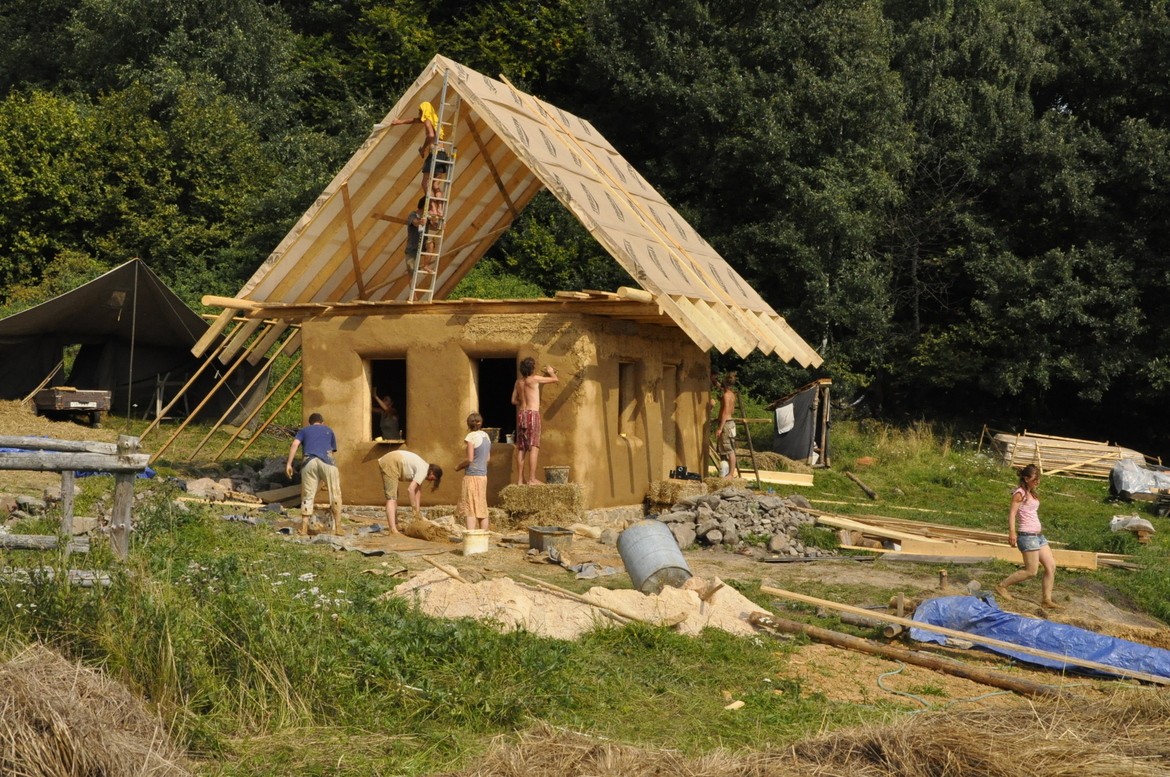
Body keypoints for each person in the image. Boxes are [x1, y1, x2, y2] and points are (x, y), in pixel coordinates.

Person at [995, 464, 1060, 609]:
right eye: (1035, 479)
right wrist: (1012, 532)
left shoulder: (1031, 493)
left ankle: (1046, 600)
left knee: (1051, 566)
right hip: (1027, 536)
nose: (1037, 482)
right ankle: (1002, 586)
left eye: (1038, 479)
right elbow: (1012, 514)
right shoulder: (1020, 493)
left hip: (1038, 536)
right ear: (1026, 478)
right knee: (1031, 571)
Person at [285, 412, 342, 536]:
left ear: (310, 423)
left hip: (309, 462)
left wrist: (289, 464)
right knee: (335, 493)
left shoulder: (304, 430)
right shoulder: (328, 430)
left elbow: (295, 444)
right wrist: (328, 478)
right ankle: (338, 528)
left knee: (308, 495)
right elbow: (332, 452)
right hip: (327, 461)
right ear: (322, 422)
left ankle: (304, 528)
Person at [511, 356, 559, 485]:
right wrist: (550, 371)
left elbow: (513, 400)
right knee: (533, 446)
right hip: (532, 414)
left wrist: (523, 400)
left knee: (521, 447)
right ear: (532, 368)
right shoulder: (535, 379)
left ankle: (520, 480)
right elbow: (555, 379)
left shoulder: (518, 382)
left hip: (522, 414)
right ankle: (532, 479)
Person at [389, 101, 451, 192]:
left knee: (425, 183)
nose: (419, 113)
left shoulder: (427, 121)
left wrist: (423, 148)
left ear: (424, 110)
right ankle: (440, 207)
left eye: (420, 111)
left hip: (435, 154)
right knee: (435, 185)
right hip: (442, 154)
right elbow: (414, 120)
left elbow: (430, 135)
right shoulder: (435, 120)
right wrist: (399, 122)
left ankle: (431, 206)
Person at [377, 449, 442, 534]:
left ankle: (396, 525)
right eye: (432, 478)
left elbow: (417, 492)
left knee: (395, 497)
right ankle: (393, 529)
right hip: (391, 462)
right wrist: (414, 508)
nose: (430, 480)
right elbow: (411, 489)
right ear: (432, 472)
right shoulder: (423, 470)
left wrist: (417, 513)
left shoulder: (424, 468)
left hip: (393, 460)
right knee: (391, 498)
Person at [455, 412, 491, 530]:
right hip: (483, 476)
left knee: (470, 507)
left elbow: (470, 459)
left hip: (472, 476)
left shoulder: (471, 437)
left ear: (469, 424)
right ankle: (483, 536)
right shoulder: (486, 436)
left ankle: (471, 536)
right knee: (481, 506)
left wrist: (459, 466)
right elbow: (488, 458)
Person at [716, 372, 739, 478]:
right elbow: (731, 409)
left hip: (726, 423)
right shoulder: (732, 395)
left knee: (729, 449)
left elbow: (725, 412)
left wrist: (720, 428)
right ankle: (729, 472)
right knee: (729, 449)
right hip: (731, 423)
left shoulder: (726, 396)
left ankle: (730, 474)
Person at [404, 197, 426, 273]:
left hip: (422, 246)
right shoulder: (413, 215)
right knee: (412, 272)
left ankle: (426, 266)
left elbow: (435, 226)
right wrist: (420, 222)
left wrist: (440, 225)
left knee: (431, 245)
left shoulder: (427, 217)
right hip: (412, 248)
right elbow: (415, 223)